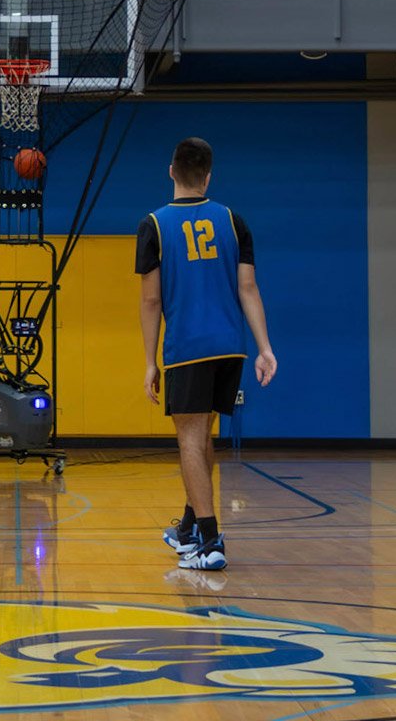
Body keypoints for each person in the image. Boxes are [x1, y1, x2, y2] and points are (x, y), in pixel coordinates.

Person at [136, 137, 277, 571]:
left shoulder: (154, 225)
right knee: (204, 436)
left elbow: (151, 301)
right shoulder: (234, 221)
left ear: (171, 170)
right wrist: (265, 348)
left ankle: (210, 542)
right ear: (208, 176)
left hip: (188, 348)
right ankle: (188, 528)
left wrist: (149, 361)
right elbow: (248, 288)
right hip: (230, 346)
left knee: (190, 439)